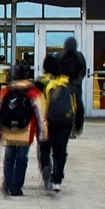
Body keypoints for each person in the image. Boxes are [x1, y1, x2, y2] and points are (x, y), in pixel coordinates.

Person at [0, 61, 45, 197]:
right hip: (25, 132)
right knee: (22, 158)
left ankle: (8, 182)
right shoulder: (33, 92)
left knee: (9, 156)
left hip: (8, 130)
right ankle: (16, 187)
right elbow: (41, 115)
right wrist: (42, 134)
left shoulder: (6, 91)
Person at [37, 52, 82, 194]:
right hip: (65, 122)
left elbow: (35, 103)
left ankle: (45, 166)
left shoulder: (41, 83)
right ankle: (57, 179)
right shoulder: (68, 83)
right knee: (60, 150)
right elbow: (78, 106)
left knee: (45, 147)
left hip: (47, 120)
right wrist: (78, 124)